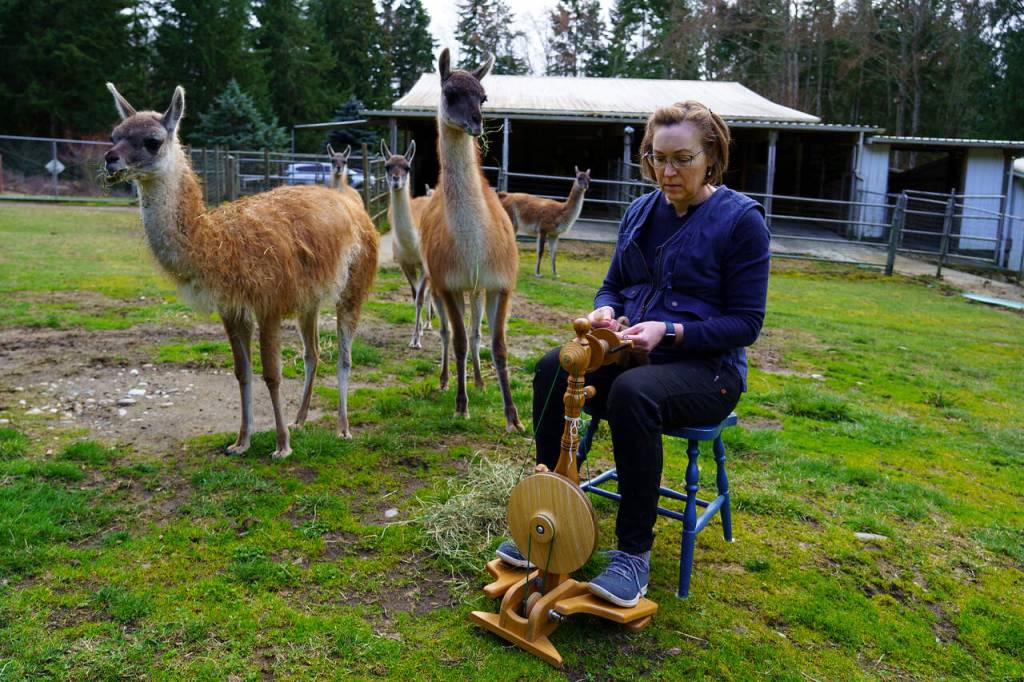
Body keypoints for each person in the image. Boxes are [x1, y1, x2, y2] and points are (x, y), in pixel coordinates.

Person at [495, 100, 771, 607]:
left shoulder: (741, 222)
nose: (666, 171)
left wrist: (669, 330)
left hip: (708, 372)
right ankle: (548, 512)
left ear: (711, 157)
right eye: (655, 158)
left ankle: (633, 556)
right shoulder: (640, 212)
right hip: (632, 353)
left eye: (681, 159)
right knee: (553, 369)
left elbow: (747, 324)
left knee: (631, 394)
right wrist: (604, 313)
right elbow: (613, 286)